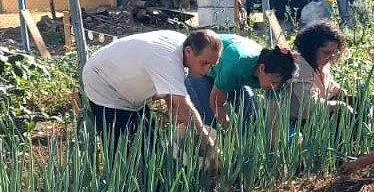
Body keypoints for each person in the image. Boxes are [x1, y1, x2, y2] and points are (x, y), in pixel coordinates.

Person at [82, 29, 221, 156]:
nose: (208, 69)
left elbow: (172, 98)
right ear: (189, 51)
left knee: (151, 145)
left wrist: (179, 119)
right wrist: (206, 141)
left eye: (212, 65)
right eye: (205, 63)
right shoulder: (168, 59)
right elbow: (183, 106)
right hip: (104, 83)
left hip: (127, 84)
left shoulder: (182, 48)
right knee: (123, 152)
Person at [185, 33, 295, 129]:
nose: (274, 88)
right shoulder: (237, 64)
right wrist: (231, 137)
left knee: (252, 116)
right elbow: (216, 102)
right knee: (210, 119)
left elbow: (273, 119)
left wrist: (272, 148)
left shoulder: (276, 77)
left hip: (230, 73)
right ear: (261, 68)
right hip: (201, 68)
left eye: (277, 84)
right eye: (273, 82)